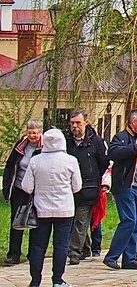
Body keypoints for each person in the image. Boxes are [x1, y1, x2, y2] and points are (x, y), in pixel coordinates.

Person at [21, 128, 81, 287]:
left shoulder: (35, 161)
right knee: (61, 246)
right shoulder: (71, 160)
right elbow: (77, 187)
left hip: (41, 210)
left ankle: (35, 281)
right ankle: (58, 280)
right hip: (65, 210)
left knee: (38, 246)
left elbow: (26, 187)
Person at [104, 109, 137, 271]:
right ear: (133, 122)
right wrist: (135, 149)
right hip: (125, 186)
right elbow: (113, 153)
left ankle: (130, 258)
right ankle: (112, 256)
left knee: (136, 223)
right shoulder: (121, 138)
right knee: (128, 221)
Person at [64, 109, 108, 266]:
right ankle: (85, 248)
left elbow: (103, 163)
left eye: (78, 123)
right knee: (72, 220)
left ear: (86, 123)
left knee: (80, 222)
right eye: (72, 123)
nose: (75, 126)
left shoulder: (95, 141)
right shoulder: (66, 141)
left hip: (88, 188)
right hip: (68, 188)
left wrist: (97, 181)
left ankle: (74, 253)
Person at [4, 119, 43, 265]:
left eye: (35, 133)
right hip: (19, 188)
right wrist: (7, 186)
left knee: (36, 222)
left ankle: (33, 253)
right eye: (29, 132)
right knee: (16, 221)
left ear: (40, 133)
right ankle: (13, 254)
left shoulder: (44, 148)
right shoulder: (21, 146)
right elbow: (10, 165)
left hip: (36, 190)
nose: (32, 135)